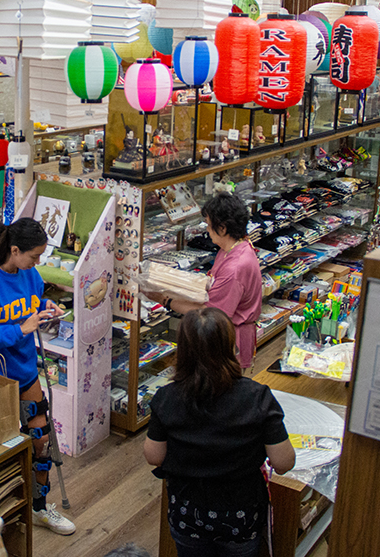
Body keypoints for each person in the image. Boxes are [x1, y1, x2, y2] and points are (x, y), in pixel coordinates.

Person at [0, 218, 76, 535]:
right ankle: (0, 514)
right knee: (0, 451)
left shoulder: (29, 274)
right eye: (34, 256)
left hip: (25, 370)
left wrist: (46, 308)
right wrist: (19, 329)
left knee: (42, 440)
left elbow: (32, 302)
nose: (37, 263)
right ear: (14, 250)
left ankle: (39, 507)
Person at [144, 307, 295, 557]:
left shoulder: (166, 398)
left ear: (182, 351)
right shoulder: (258, 398)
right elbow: (283, 462)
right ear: (230, 348)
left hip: (187, 512)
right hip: (240, 514)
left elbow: (154, 456)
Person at [146, 193, 262, 369]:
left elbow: (210, 314)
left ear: (222, 228)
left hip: (228, 341)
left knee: (220, 391)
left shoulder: (235, 268)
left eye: (209, 225)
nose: (207, 229)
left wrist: (165, 299)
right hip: (227, 333)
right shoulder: (233, 248)